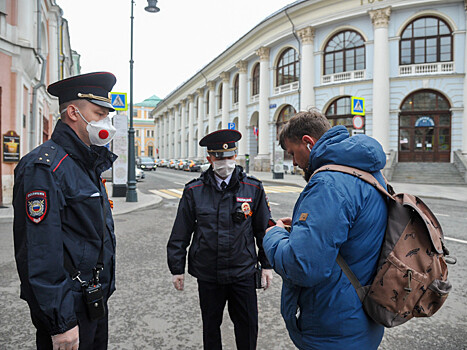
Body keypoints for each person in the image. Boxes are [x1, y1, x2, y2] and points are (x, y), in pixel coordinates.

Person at [263, 109, 388, 350]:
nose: (294, 163)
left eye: (292, 153)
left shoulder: (329, 183)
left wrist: (274, 235)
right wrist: (304, 229)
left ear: (308, 143)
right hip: (364, 316)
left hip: (333, 328)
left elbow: (302, 266)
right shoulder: (367, 171)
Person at [13, 72, 118, 350]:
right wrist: (60, 323)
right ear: (73, 112)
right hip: (69, 309)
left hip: (93, 300)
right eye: (98, 114)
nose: (105, 123)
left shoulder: (86, 163)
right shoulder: (44, 166)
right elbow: (39, 252)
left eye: (108, 116)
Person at [167, 129, 273, 350]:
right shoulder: (194, 190)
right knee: (211, 327)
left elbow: (262, 230)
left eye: (229, 156)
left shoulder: (253, 188)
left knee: (247, 326)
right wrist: (176, 268)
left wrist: (267, 265)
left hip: (242, 272)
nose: (225, 161)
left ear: (235, 156)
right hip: (208, 273)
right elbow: (181, 231)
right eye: (219, 157)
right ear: (209, 159)